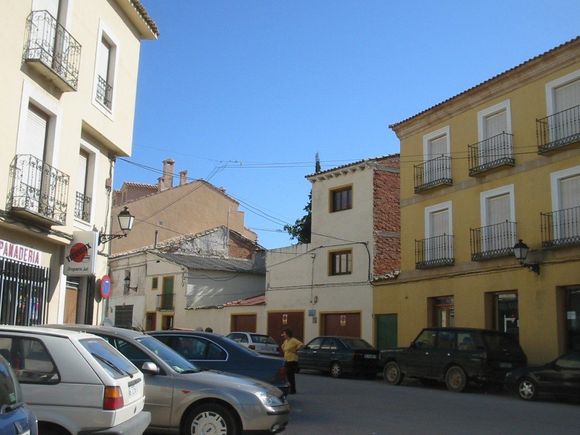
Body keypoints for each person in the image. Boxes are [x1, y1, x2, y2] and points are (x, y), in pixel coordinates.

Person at [281, 328, 303, 394]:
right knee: (287, 375)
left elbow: (301, 344)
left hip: (292, 360)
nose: (283, 335)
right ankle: (289, 388)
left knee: (290, 375)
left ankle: (293, 390)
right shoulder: (286, 341)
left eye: (284, 333)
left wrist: (296, 350)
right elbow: (283, 347)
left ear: (287, 334)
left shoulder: (293, 340)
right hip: (286, 360)